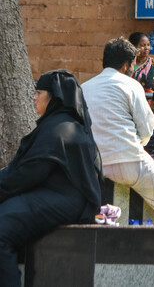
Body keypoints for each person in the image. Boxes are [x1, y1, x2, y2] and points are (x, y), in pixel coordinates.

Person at [0, 70, 102, 285]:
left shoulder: (59, 129)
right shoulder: (61, 124)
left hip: (62, 199)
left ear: (55, 96)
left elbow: (28, 173)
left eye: (38, 92)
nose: (34, 98)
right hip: (56, 196)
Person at [81, 37, 154, 226]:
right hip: (129, 162)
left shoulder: (84, 88)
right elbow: (147, 129)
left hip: (92, 165)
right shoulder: (131, 85)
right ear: (127, 65)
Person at [129, 32, 154, 97]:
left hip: (152, 103)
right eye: (142, 45)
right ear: (133, 46)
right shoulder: (127, 65)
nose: (146, 48)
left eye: (148, 45)